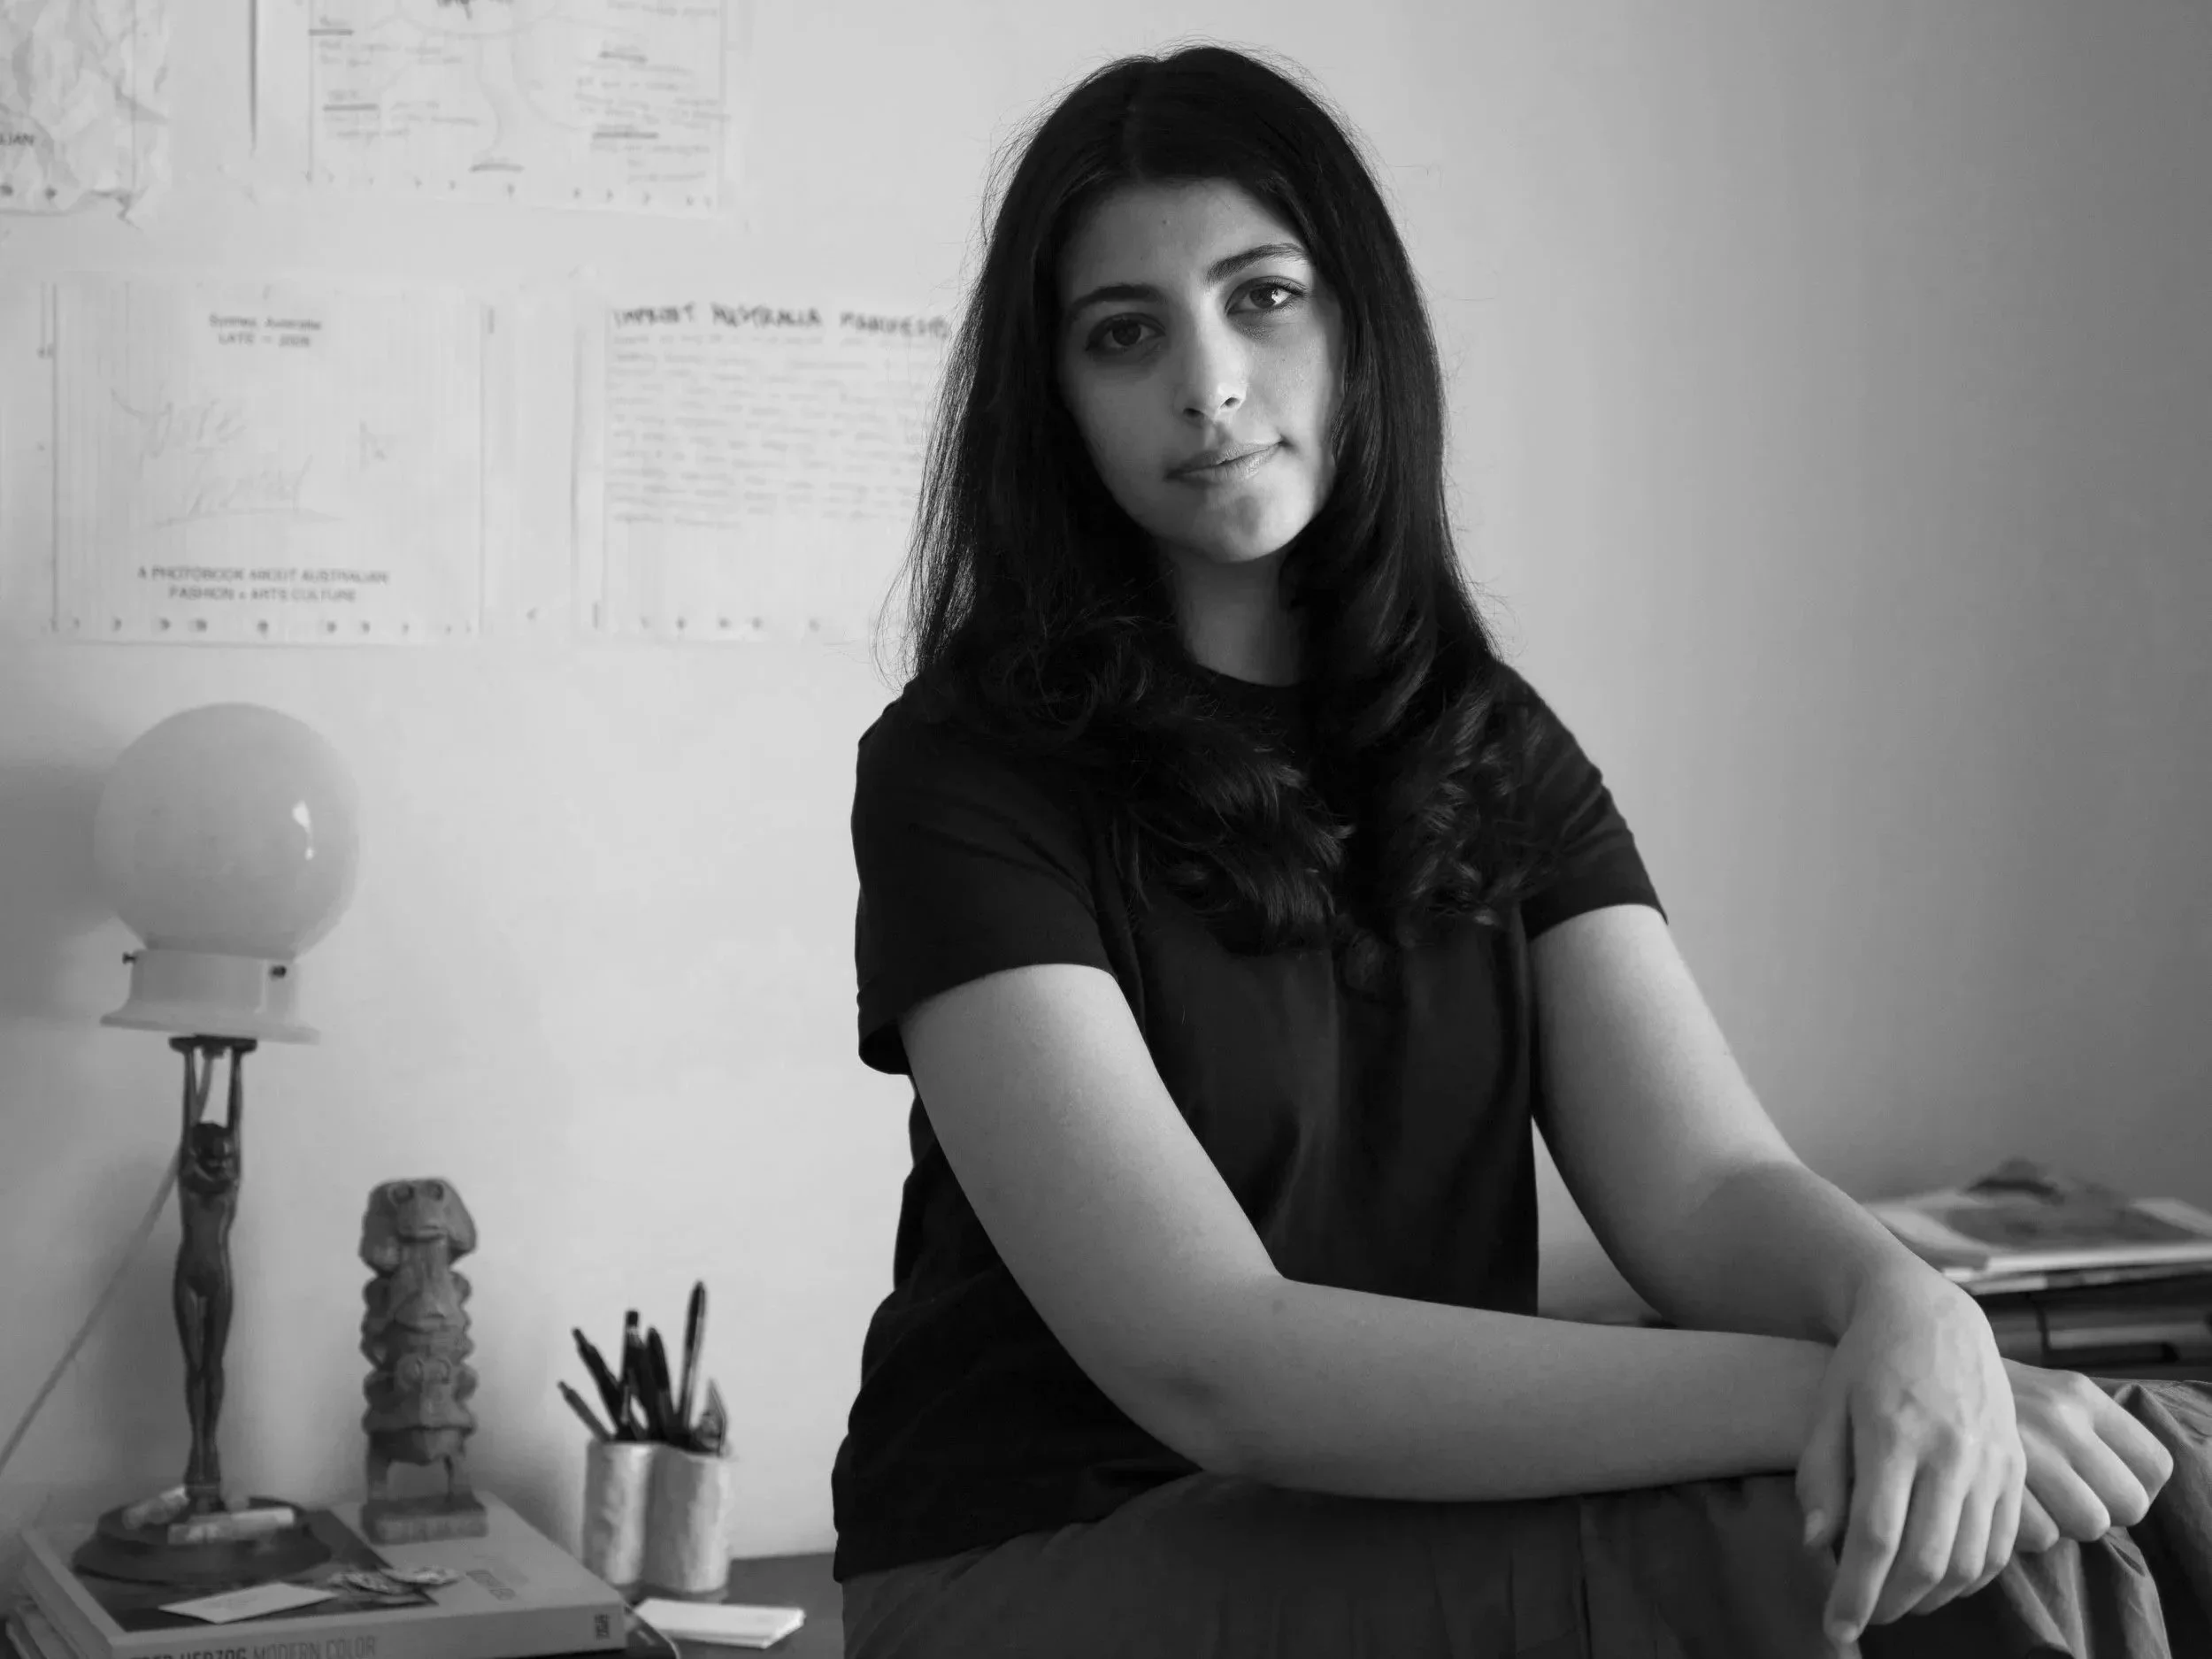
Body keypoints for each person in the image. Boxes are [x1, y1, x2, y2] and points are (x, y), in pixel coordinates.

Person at [833, 42, 2194, 1656]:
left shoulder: (1485, 738)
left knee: (2153, 1462)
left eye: (1263, 297)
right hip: (1045, 1553)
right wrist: (1842, 1386)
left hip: (1396, 1520)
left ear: (1359, 328)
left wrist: (1911, 1311)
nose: (1208, 382)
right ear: (1057, 401)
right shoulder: (961, 772)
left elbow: (1705, 1185)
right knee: (1906, 1538)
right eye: (1126, 335)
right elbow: (1216, 1356)